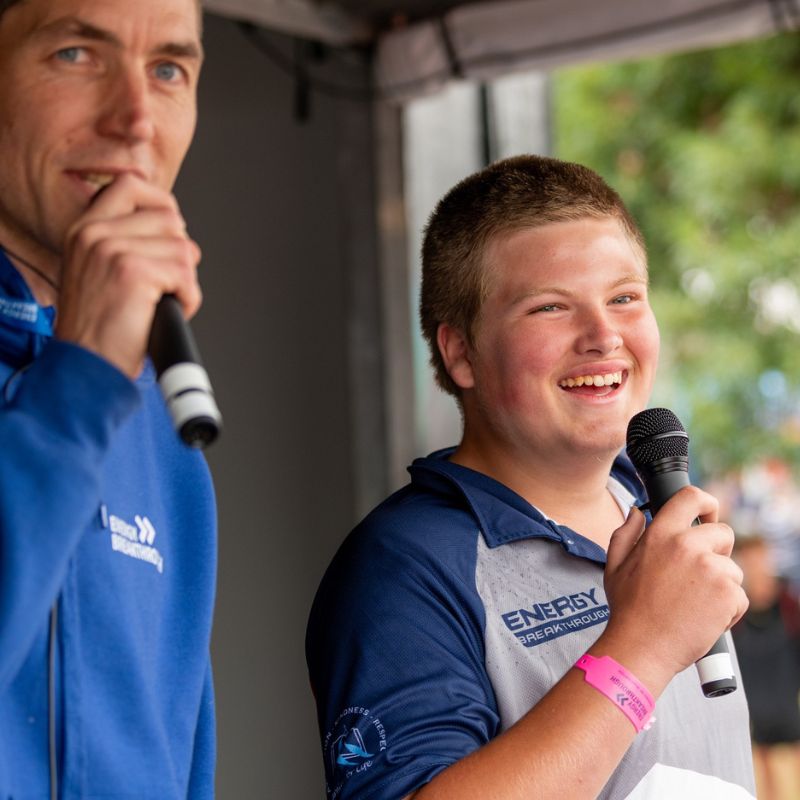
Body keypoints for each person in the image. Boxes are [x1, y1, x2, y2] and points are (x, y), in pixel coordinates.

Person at [306, 155, 755, 799]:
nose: (604, 336)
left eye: (624, 297)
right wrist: (642, 646)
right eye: (550, 308)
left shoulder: (662, 507)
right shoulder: (403, 566)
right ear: (460, 352)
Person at [0, 0, 216, 797]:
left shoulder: (154, 414)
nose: (134, 120)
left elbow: (180, 753)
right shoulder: (93, 388)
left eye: (167, 69)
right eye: (74, 54)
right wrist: (78, 381)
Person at [732, 535, 800, 800]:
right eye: (749, 558)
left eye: (760, 557)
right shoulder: (736, 603)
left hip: (784, 694)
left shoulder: (788, 603)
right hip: (753, 696)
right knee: (762, 768)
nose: (755, 564)